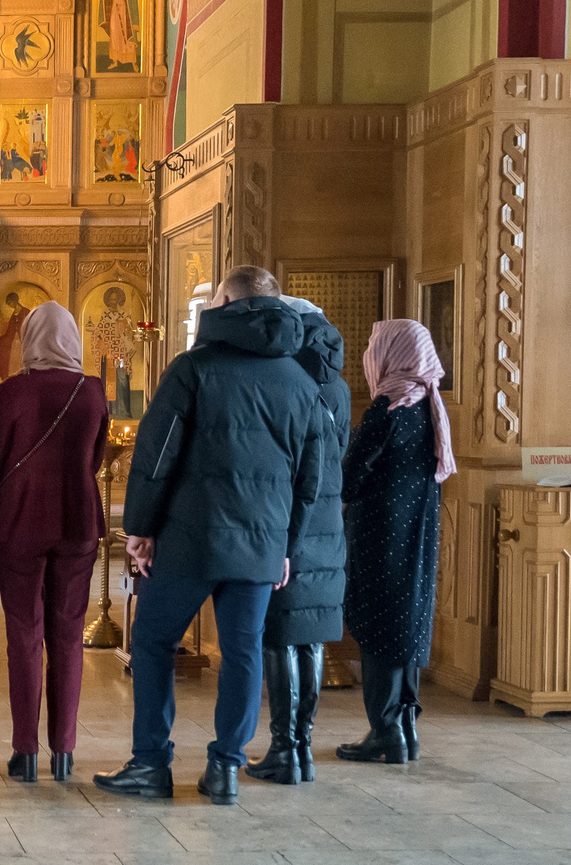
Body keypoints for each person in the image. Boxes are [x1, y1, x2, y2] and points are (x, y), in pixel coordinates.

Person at [95, 266, 324, 808]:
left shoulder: (195, 368)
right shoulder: (300, 379)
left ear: (224, 303)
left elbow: (155, 455)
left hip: (189, 539)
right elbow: (311, 479)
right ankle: (225, 768)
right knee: (242, 652)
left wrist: (140, 529)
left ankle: (151, 764)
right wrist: (288, 548)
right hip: (261, 544)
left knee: (152, 642)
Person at [0, 303, 109, 784]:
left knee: (24, 633)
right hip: (78, 522)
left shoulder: (13, 391)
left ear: (30, 338)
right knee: (67, 634)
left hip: (19, 524)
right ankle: (65, 751)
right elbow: (96, 459)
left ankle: (25, 752)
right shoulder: (92, 392)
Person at [338, 319, 454, 766]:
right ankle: (404, 729)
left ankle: (385, 731)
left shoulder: (391, 406)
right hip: (416, 536)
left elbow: (352, 471)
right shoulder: (427, 406)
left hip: (379, 538)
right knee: (405, 626)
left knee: (379, 630)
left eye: (375, 347)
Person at [253, 295, 349, 787]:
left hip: (289, 523)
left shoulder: (285, 380)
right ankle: (303, 746)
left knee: (279, 636)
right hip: (329, 525)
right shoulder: (339, 388)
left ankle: (283, 750)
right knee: (309, 635)